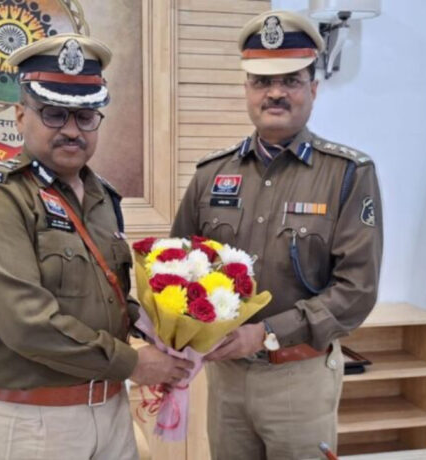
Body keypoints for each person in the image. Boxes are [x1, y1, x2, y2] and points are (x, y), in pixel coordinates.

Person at [0, 33, 192, 460]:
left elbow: (106, 295)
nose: (72, 130)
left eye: (85, 116)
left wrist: (159, 326)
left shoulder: (101, 197)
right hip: (25, 420)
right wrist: (135, 364)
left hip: (108, 410)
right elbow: (26, 324)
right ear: (21, 115)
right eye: (54, 114)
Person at [170, 10, 384, 460]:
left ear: (313, 89)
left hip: (299, 377)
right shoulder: (211, 173)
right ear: (247, 90)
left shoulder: (347, 174)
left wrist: (267, 333)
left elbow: (357, 291)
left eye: (291, 80)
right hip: (227, 379)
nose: (275, 93)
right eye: (262, 81)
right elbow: (176, 267)